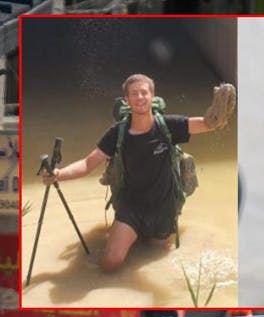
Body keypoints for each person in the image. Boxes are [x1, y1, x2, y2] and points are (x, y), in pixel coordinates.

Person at [41, 74, 236, 272]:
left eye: (144, 92)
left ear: (152, 96)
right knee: (111, 263)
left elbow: (207, 124)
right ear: (127, 100)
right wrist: (58, 174)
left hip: (164, 209)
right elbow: (87, 164)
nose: (140, 97)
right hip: (131, 208)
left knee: (156, 256)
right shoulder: (117, 133)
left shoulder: (169, 126)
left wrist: (218, 113)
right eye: (134, 93)